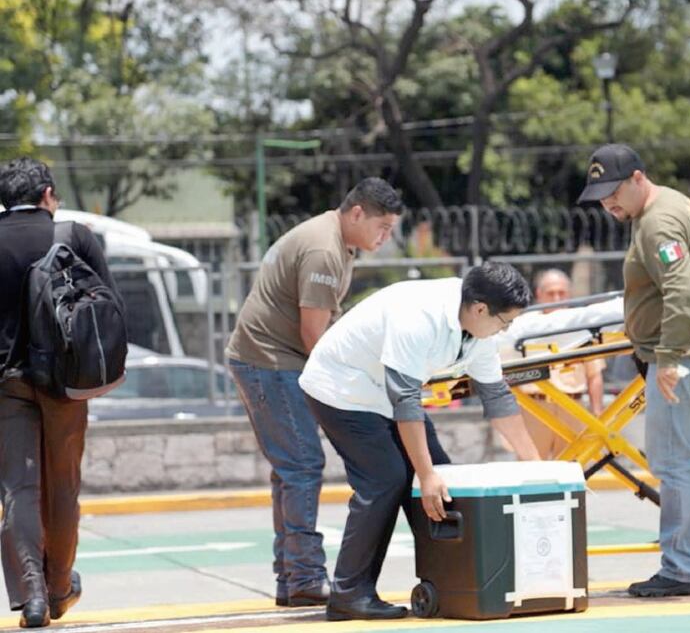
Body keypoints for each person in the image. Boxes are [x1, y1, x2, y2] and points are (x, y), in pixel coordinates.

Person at [299, 262, 542, 621]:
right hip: (341, 389)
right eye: (504, 322)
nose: (505, 330)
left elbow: (497, 397)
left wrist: (536, 465)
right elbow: (406, 402)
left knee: (444, 481)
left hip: (384, 395)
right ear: (480, 309)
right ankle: (349, 594)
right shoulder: (418, 317)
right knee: (387, 480)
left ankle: (455, 580)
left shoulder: (479, 330)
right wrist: (425, 476)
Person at [578, 144, 690, 597]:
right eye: (600, 197)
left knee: (676, 464)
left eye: (613, 192)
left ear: (638, 178)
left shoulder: (657, 223)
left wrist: (669, 357)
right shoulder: (674, 203)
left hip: (686, 358)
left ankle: (684, 567)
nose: (607, 203)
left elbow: (683, 294)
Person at [225, 178, 403, 608]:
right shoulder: (324, 249)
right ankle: (304, 576)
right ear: (357, 213)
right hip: (271, 361)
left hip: (269, 359)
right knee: (302, 465)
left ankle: (292, 577)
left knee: (292, 468)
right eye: (382, 227)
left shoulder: (337, 241)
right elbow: (314, 336)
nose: (385, 237)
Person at [0, 158, 121, 628]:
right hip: (65, 384)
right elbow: (109, 307)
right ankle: (58, 588)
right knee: (63, 487)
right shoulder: (73, 236)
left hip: (7, 383)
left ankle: (30, 596)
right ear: (48, 194)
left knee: (18, 488)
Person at [520, 269, 606, 459]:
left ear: (570, 294)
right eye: (551, 293)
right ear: (539, 294)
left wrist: (597, 411)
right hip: (535, 407)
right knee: (531, 469)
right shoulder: (526, 327)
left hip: (572, 408)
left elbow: (594, 374)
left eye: (562, 293)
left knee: (573, 467)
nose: (557, 298)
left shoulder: (582, 328)